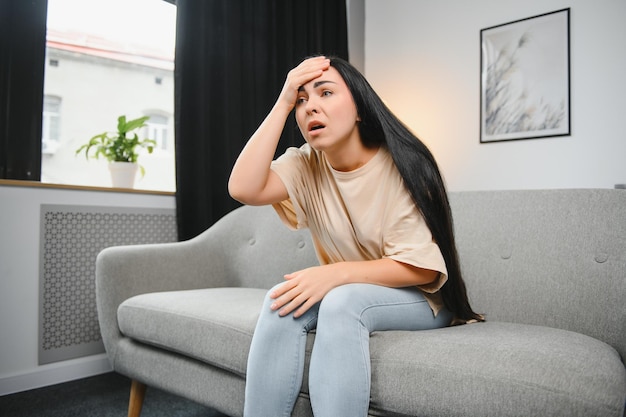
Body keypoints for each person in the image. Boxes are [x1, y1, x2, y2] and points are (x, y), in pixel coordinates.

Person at [228, 55, 483, 417]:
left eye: (325, 93)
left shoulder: (401, 165)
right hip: (349, 292)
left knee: (342, 302)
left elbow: (422, 270)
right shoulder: (306, 165)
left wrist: (335, 274)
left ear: (360, 109)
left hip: (425, 301)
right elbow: (242, 187)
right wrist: (282, 101)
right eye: (301, 100)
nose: (310, 106)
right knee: (279, 302)